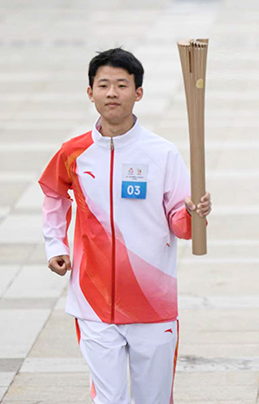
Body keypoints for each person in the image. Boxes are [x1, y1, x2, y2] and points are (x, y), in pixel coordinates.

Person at [39, 48, 212, 403]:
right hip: (93, 301)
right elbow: (54, 195)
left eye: (122, 85)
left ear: (138, 92)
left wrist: (195, 216)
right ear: (90, 93)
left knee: (153, 399)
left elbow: (180, 224)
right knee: (109, 399)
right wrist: (56, 244)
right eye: (104, 85)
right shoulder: (73, 153)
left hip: (153, 303)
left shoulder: (162, 153)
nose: (112, 93)